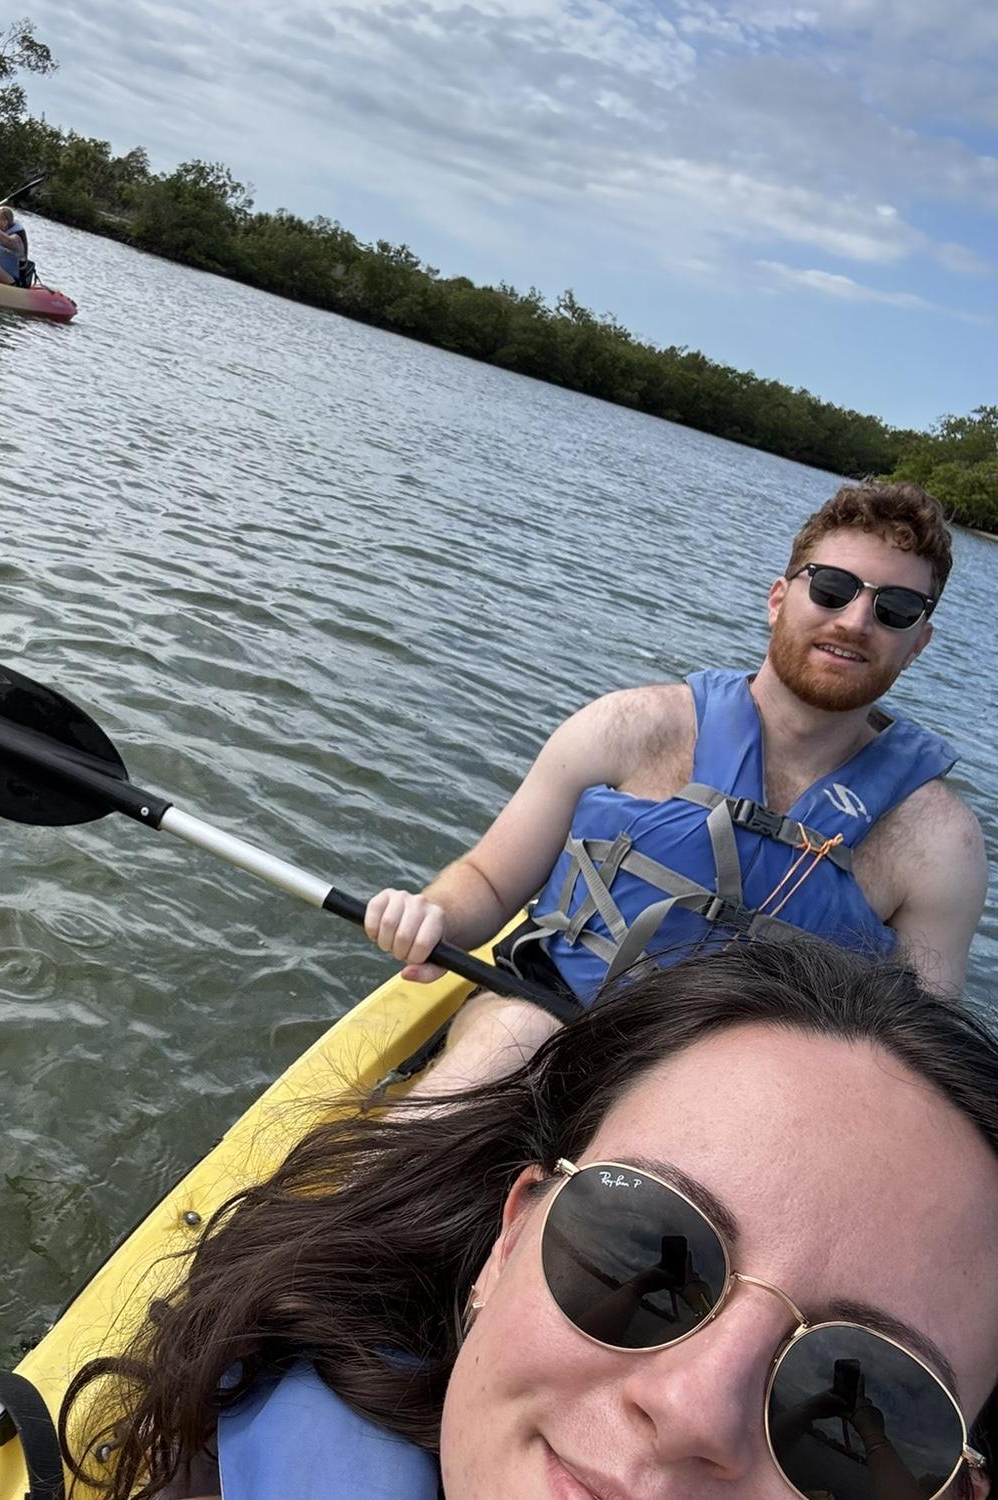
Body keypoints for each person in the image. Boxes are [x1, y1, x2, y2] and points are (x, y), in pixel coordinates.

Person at [59, 939, 998, 1500]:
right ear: (506, 1245)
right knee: (504, 1046)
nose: (689, 1413)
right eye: (638, 1247)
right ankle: (501, 1035)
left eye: (877, 1388)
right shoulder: (639, 731)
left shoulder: (928, 842)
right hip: (600, 983)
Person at [364, 481, 987, 1092]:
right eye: (831, 588)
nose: (854, 621)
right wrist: (433, 913)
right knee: (514, 1041)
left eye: (896, 608)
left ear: (918, 643)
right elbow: (491, 880)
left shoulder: (939, 841)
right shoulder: (627, 727)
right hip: (546, 1017)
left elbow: (914, 1055)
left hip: (748, 1106)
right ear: (779, 598)